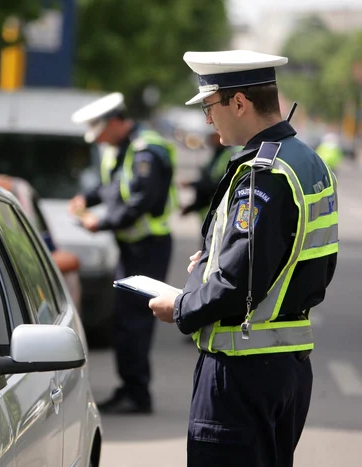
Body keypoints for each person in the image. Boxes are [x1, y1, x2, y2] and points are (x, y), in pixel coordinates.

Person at [148, 50, 338, 466]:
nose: (207, 120)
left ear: (239, 102)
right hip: (286, 369)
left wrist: (179, 306)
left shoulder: (264, 173)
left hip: (242, 371)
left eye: (210, 107)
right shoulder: (308, 161)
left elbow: (237, 283)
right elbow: (301, 259)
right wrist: (215, 258)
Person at [69, 92, 177, 414]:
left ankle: (137, 394)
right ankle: (130, 387)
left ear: (116, 121)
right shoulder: (121, 149)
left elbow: (141, 201)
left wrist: (99, 223)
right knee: (124, 321)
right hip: (132, 248)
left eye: (100, 131)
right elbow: (111, 188)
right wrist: (86, 200)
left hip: (149, 248)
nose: (98, 139)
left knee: (134, 323)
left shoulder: (147, 151)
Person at [180, 132, 243, 222]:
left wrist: (192, 184)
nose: (210, 139)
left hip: (219, 215)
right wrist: (191, 207)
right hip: (209, 214)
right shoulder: (218, 152)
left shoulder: (230, 155)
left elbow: (218, 186)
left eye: (213, 135)